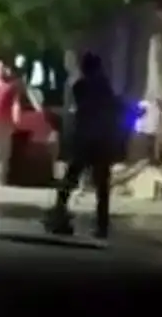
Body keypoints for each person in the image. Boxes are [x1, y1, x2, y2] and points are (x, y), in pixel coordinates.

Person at [48, 53, 122, 239]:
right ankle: (101, 225)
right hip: (102, 140)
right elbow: (112, 111)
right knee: (101, 185)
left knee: (71, 178)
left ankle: (59, 214)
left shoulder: (80, 86)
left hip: (85, 140)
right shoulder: (105, 87)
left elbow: (77, 112)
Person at [0, 60, 21, 187]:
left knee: (3, 153)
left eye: (2, 67)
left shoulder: (10, 86)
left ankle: (1, 181)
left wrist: (16, 118)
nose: (0, 69)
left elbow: (15, 103)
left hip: (4, 122)